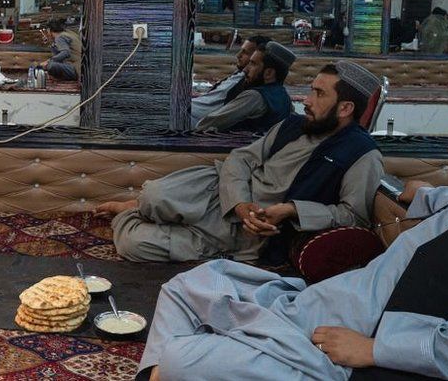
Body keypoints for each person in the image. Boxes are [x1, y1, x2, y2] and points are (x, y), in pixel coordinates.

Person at [136, 101, 448, 381]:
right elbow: (419, 194)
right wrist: (423, 191)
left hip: (335, 347)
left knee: (179, 360)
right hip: (310, 302)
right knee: (184, 286)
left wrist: (373, 350)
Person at [95, 60, 384, 263]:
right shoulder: (293, 125)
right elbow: (241, 159)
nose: (307, 100)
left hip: (246, 231)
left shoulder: (362, 154)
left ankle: (131, 215)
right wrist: (240, 203)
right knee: (154, 195)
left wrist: (291, 210)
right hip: (220, 191)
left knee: (133, 245)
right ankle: (142, 208)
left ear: (345, 108)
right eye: (310, 90)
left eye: (319, 94)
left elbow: (353, 217)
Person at [195, 42, 295, 133]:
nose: (246, 70)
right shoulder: (285, 98)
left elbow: (207, 123)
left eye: (253, 64)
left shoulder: (254, 96)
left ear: (268, 73)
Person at [190, 35, 270, 127]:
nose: (238, 55)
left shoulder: (251, 86)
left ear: (257, 56)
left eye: (245, 52)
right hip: (189, 108)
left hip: (193, 120)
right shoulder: (238, 74)